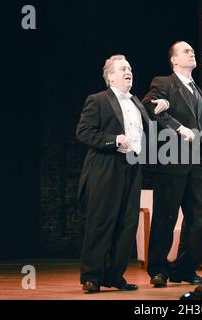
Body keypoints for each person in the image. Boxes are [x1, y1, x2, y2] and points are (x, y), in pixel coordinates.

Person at [76, 55, 167, 293]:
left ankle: (115, 275)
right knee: (102, 221)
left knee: (127, 223)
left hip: (132, 166)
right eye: (123, 68)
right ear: (110, 76)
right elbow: (83, 132)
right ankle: (92, 276)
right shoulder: (97, 100)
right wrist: (113, 140)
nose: (129, 71)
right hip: (105, 166)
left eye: (130, 68)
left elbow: (150, 132)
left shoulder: (136, 102)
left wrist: (159, 113)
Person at [142, 41, 202, 288]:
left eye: (193, 50)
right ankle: (159, 270)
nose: (192, 53)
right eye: (186, 51)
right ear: (174, 60)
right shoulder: (163, 83)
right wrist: (177, 128)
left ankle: (185, 269)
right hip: (171, 162)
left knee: (198, 218)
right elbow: (149, 106)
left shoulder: (198, 91)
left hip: (198, 166)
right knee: (165, 218)